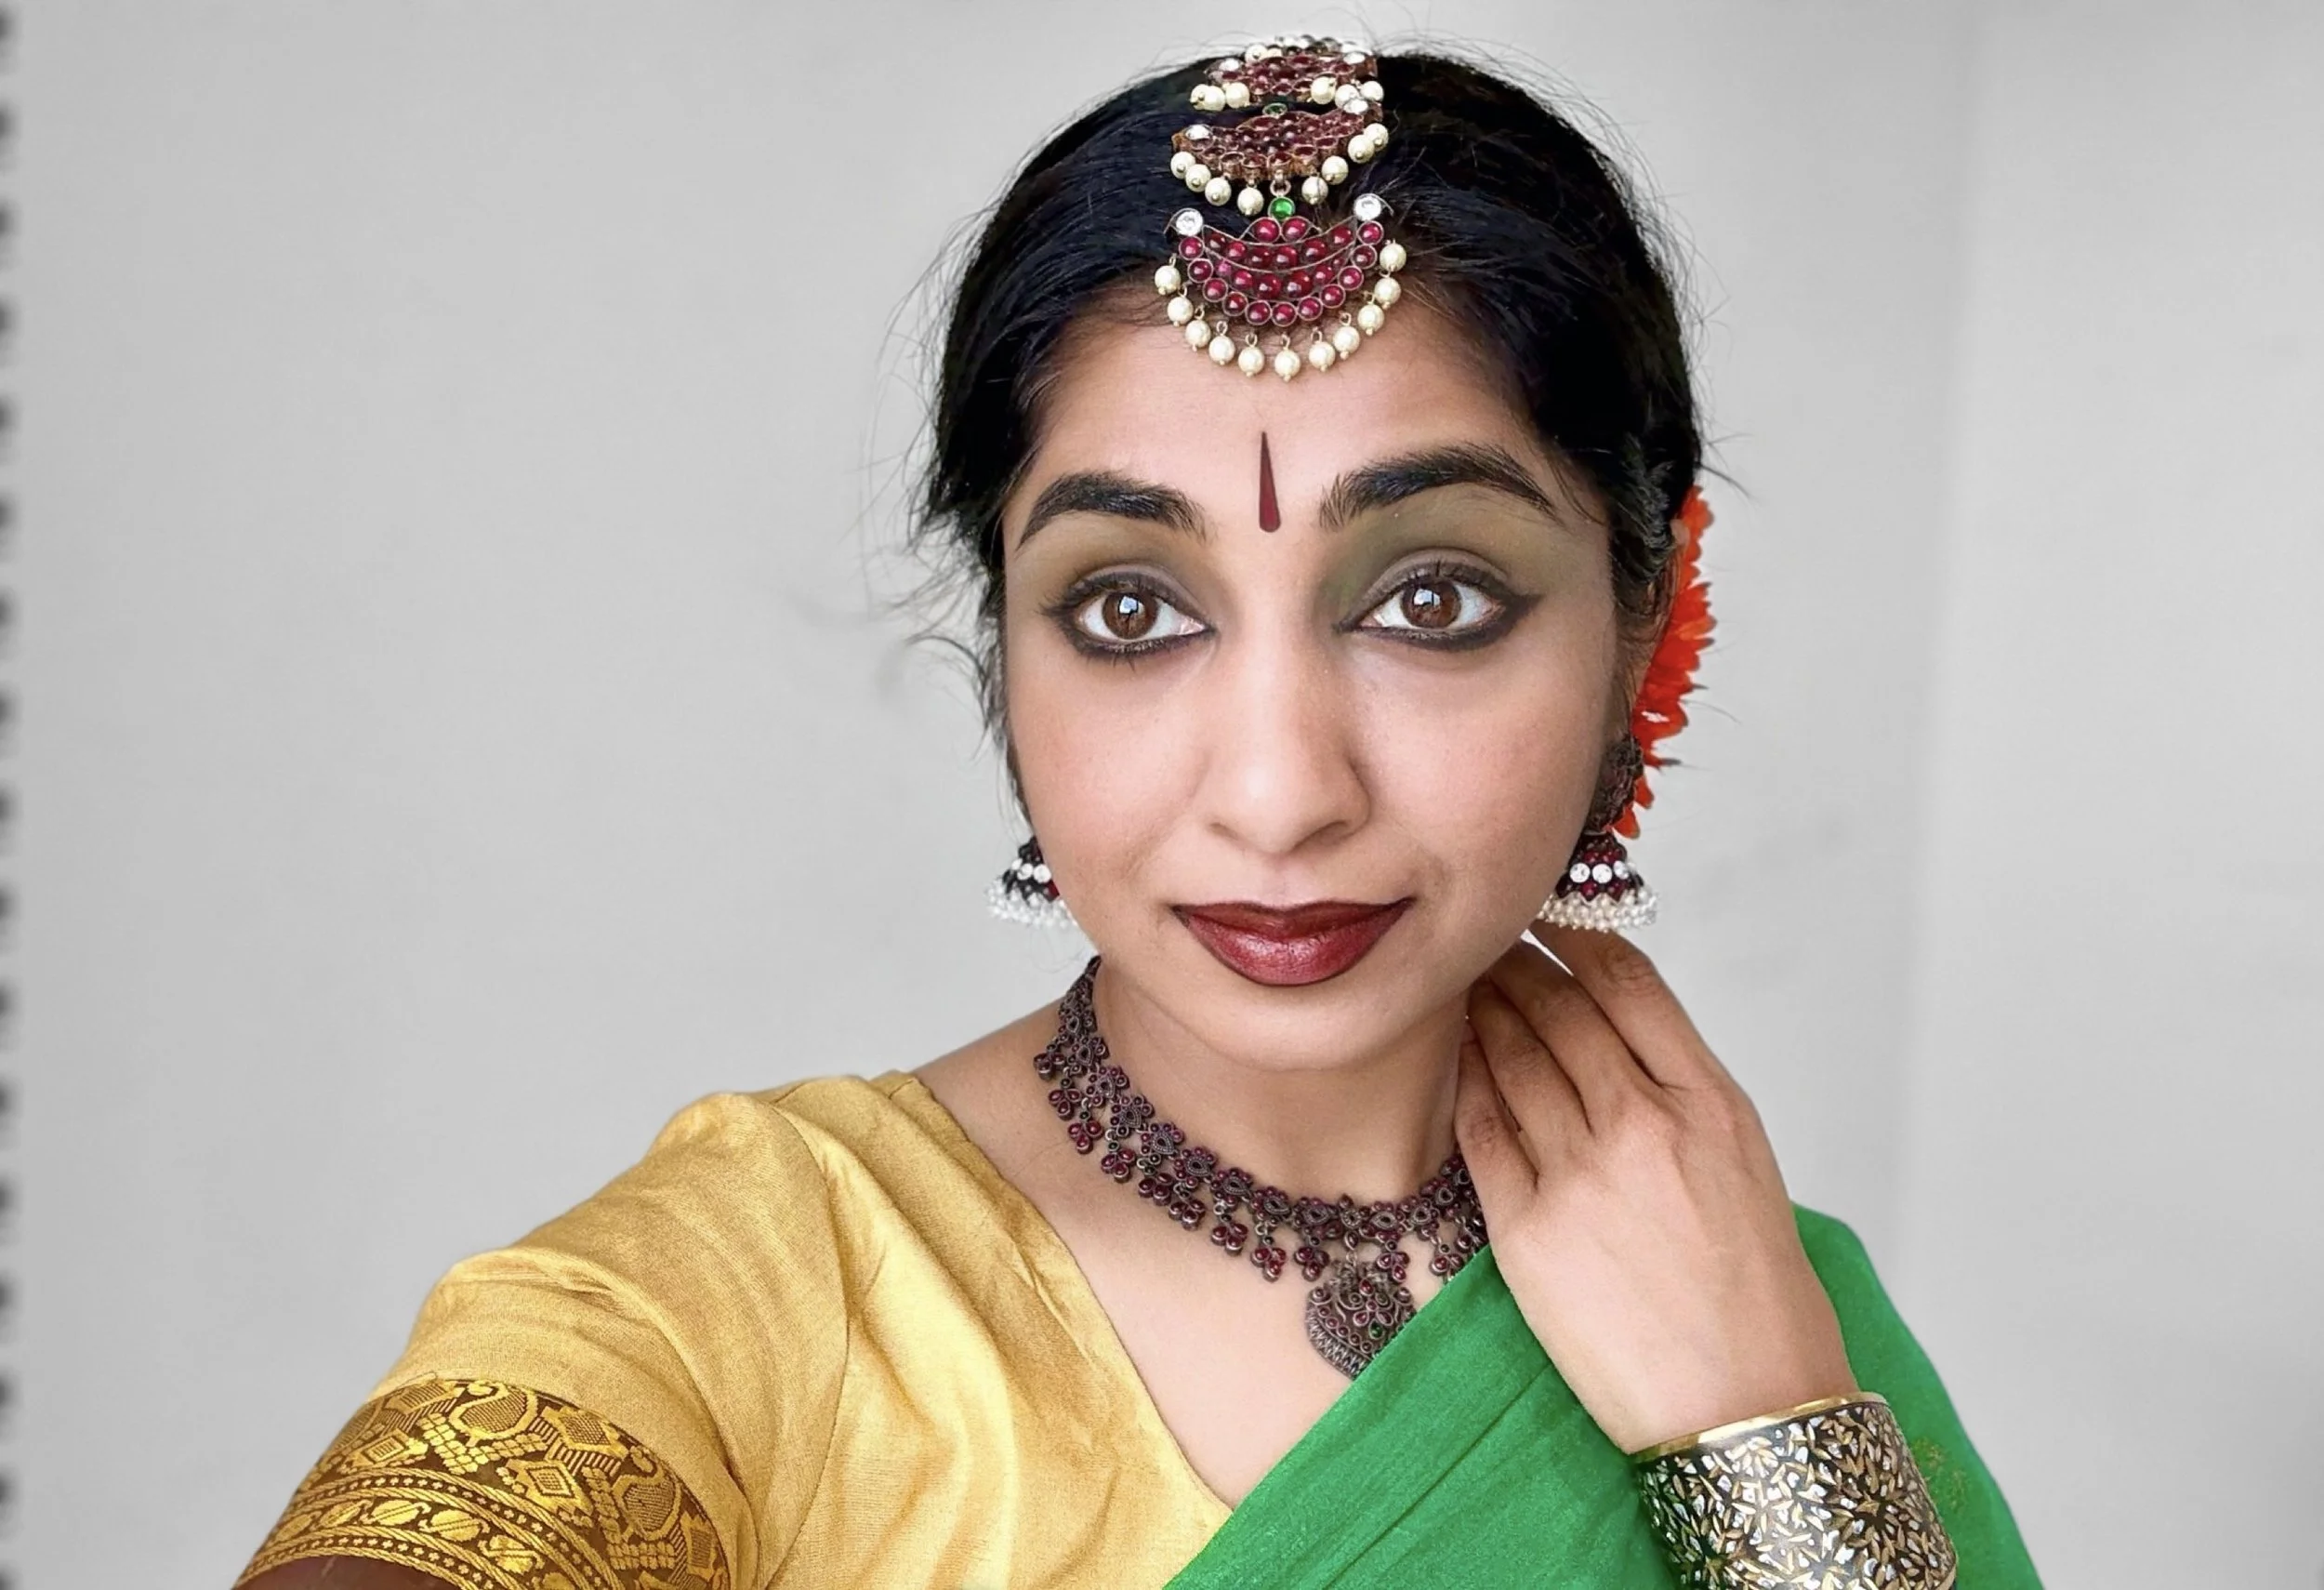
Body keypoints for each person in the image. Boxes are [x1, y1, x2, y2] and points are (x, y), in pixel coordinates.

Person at [236, 37, 2040, 1590]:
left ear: (1648, 621)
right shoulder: (769, 1285)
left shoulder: (1761, 1300)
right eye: (1128, 610)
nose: (1273, 794)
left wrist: (1759, 1442)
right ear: (1000, 652)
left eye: (1430, 600)